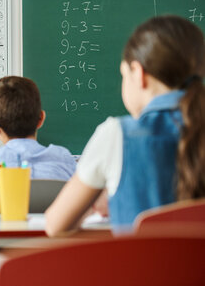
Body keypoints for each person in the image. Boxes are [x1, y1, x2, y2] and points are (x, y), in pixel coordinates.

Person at [46, 15, 205, 236]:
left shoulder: (117, 135)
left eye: (124, 74)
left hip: (140, 269)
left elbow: (55, 226)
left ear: (139, 74)